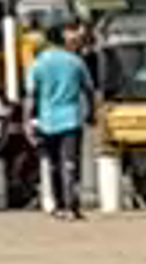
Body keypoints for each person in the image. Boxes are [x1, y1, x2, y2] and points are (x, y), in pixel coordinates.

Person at [23, 26, 93, 217]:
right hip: (71, 120)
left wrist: (27, 122)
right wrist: (91, 113)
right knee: (70, 164)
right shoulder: (76, 62)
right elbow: (88, 89)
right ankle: (72, 205)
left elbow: (30, 96)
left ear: (46, 42)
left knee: (52, 164)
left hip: (47, 121)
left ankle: (60, 206)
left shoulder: (37, 64)